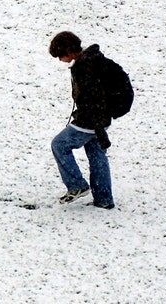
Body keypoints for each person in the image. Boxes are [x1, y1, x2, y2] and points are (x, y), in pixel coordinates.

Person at [48, 31, 115, 209]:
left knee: (59, 145)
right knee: (96, 154)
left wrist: (86, 117)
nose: (59, 59)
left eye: (60, 55)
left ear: (69, 50)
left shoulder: (84, 66)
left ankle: (77, 185)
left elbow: (92, 96)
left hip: (90, 120)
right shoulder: (94, 60)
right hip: (102, 118)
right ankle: (104, 199)